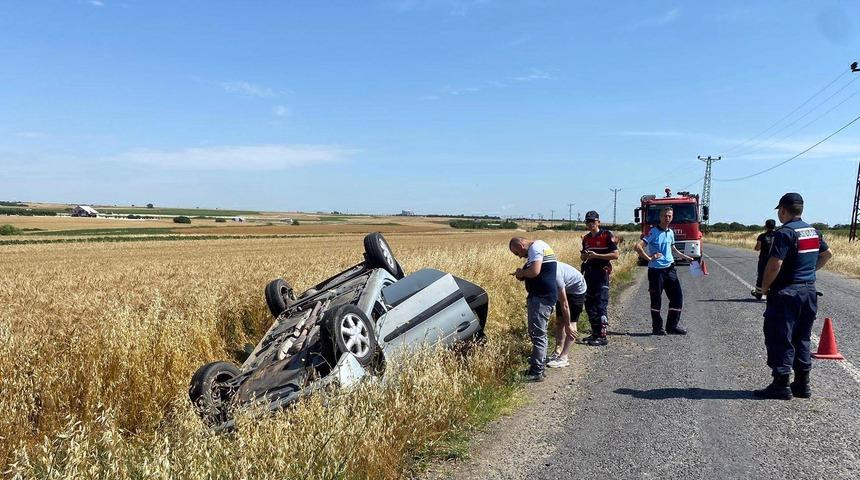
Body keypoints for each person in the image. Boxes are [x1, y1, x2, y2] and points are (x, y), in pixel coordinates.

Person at [754, 193, 832, 400]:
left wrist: (763, 288)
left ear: (783, 210)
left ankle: (781, 384)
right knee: (802, 337)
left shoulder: (785, 233)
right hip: (808, 291)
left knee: (780, 336)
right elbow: (827, 254)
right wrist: (810, 272)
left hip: (787, 293)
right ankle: (802, 384)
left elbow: (774, 265)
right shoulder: (813, 232)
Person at [634, 206, 695, 335]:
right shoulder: (653, 232)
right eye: (665, 216)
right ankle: (657, 328)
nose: (667, 218)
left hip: (670, 268)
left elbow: (673, 250)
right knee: (656, 299)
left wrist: (687, 258)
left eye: (670, 216)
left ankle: (672, 326)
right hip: (656, 271)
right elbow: (638, 246)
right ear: (660, 217)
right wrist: (649, 258)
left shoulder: (671, 232)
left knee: (677, 298)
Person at [509, 237, 559, 382]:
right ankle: (537, 367)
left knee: (538, 334)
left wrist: (523, 273)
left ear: (520, 244)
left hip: (541, 298)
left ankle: (537, 371)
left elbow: (535, 271)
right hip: (543, 296)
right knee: (537, 333)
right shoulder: (538, 248)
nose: (519, 256)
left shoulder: (535, 248)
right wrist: (523, 274)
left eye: (516, 252)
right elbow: (537, 271)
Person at [580, 211, 619, 346]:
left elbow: (615, 255)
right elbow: (583, 257)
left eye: (593, 221)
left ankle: (602, 336)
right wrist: (585, 256)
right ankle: (595, 332)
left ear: (598, 222)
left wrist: (596, 255)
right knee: (589, 303)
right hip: (589, 273)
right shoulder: (586, 238)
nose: (591, 224)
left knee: (600, 303)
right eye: (588, 221)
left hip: (602, 273)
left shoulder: (607, 235)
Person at [547, 261, 587, 368]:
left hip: (577, 290)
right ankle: (557, 351)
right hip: (566, 287)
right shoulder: (543, 268)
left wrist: (568, 325)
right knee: (560, 321)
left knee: (571, 322)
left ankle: (564, 357)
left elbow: (564, 304)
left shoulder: (555, 276)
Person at [751, 219, 777, 300]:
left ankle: (758, 294)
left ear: (766, 226)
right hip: (775, 259)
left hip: (764, 260)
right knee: (775, 276)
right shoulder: (778, 235)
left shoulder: (762, 236)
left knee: (761, 276)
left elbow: (757, 248)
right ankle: (773, 294)